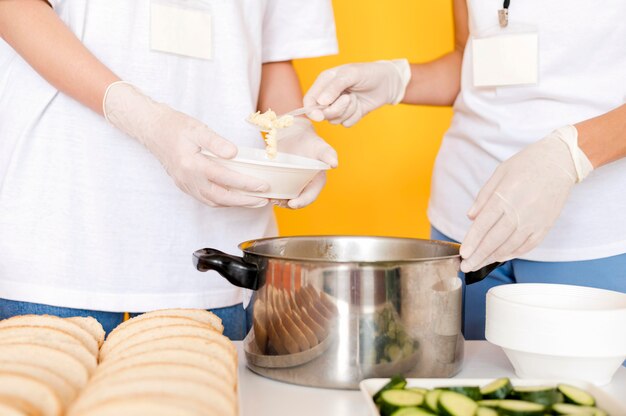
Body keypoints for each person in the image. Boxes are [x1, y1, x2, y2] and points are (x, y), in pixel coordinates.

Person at [0, 0, 338, 338]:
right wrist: (138, 115)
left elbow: (271, 55)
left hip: (218, 264)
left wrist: (293, 132)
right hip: (59, 246)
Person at [303, 0, 626, 338]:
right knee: (461, 379)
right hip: (463, 223)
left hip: (591, 233)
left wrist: (569, 154)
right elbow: (470, 60)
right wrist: (396, 79)